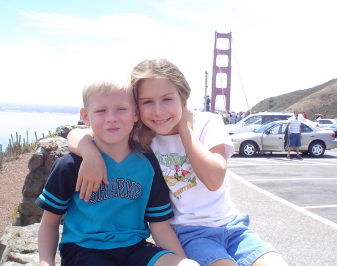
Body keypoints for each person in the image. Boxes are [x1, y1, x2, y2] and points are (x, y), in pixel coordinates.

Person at [67, 58, 290, 266]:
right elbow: (75, 135)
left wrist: (185, 128)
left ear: (183, 96)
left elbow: (213, 179)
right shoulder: (141, 136)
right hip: (188, 233)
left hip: (234, 228)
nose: (158, 111)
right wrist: (89, 152)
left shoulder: (207, 123)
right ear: (137, 108)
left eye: (167, 99)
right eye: (147, 102)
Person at [36, 78, 198, 266]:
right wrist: (45, 262)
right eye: (100, 111)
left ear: (135, 113)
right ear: (86, 116)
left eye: (121, 109)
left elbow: (159, 226)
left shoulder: (149, 165)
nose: (111, 117)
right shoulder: (71, 166)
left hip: (135, 249)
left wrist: (183, 260)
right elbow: (49, 223)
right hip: (85, 250)